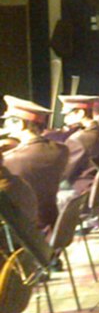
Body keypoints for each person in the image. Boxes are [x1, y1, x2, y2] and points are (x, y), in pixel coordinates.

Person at [1, 96, 68, 230]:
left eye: (7, 122)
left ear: (19, 124)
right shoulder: (61, 150)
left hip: (25, 228)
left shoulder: (10, 159)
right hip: (51, 221)